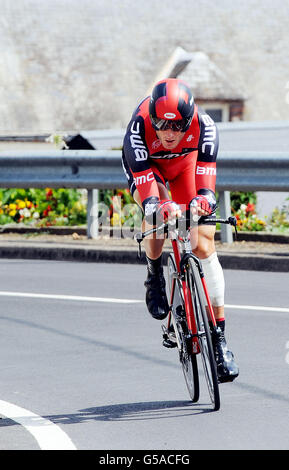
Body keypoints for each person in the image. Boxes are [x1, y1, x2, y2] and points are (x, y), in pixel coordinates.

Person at [122, 78, 239, 383]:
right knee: (160, 209)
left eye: (177, 127)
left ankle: (219, 340)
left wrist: (204, 200)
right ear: (152, 117)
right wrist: (155, 206)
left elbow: (207, 180)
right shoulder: (139, 128)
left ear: (189, 120)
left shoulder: (205, 126)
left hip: (187, 165)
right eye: (162, 125)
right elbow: (146, 192)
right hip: (151, 169)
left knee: (203, 244)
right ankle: (155, 274)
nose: (170, 133)